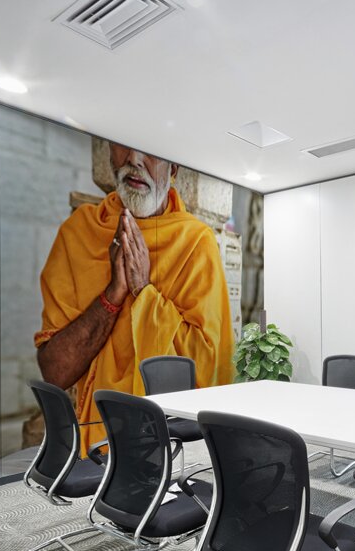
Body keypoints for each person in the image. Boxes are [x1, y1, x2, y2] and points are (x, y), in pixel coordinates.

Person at [34, 142, 234, 455]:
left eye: (152, 149)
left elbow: (210, 371)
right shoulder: (78, 232)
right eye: (122, 146)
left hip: (169, 441)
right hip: (95, 440)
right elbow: (54, 372)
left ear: (175, 167)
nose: (135, 160)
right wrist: (114, 293)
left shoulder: (196, 243)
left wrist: (144, 290)